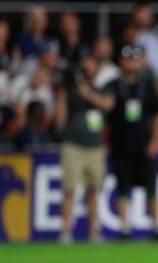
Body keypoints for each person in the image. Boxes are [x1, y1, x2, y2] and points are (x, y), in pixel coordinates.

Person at [104, 44, 158, 240]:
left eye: (135, 58)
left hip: (143, 145)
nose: (131, 62)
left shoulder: (147, 86)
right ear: (121, 61)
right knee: (122, 187)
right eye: (128, 58)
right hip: (120, 145)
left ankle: (156, 227)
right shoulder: (113, 85)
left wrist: (155, 141)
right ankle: (125, 228)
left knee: (150, 187)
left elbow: (157, 116)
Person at [56, 53, 113, 244]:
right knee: (69, 190)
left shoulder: (102, 88)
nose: (87, 69)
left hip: (95, 148)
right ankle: (65, 231)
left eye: (91, 66)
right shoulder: (70, 90)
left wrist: (87, 92)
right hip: (73, 145)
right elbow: (61, 114)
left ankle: (93, 231)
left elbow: (107, 105)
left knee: (93, 191)